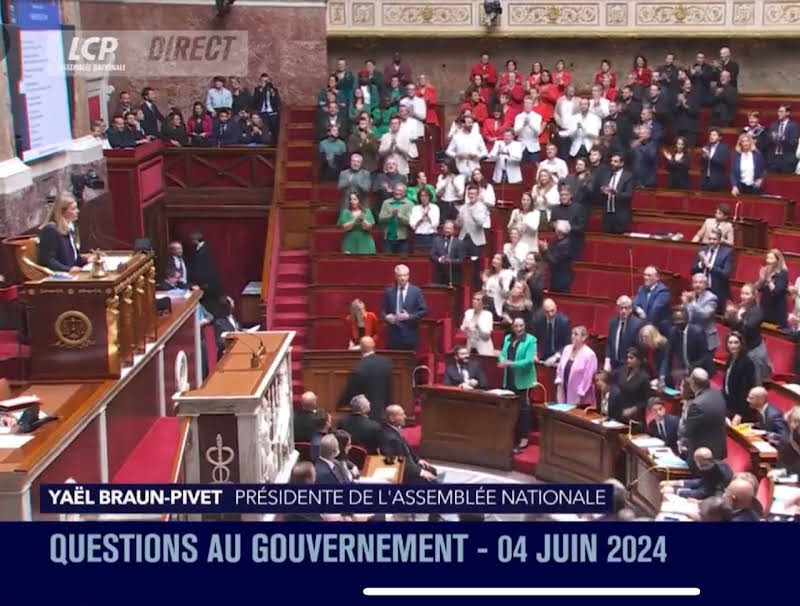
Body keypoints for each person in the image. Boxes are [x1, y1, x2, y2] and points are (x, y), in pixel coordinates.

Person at [499, 317, 537, 453]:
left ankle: (524, 438)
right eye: (516, 326)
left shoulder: (531, 340)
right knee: (511, 409)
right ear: (512, 327)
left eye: (521, 326)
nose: (519, 329)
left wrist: (511, 364)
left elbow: (528, 361)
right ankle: (512, 437)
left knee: (523, 410)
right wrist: (503, 361)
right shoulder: (508, 338)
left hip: (524, 380)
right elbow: (502, 354)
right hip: (509, 378)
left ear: (525, 326)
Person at [723, 283, 772, 383]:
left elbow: (748, 327)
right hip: (740, 349)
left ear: (753, 296)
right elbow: (726, 322)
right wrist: (729, 314)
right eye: (742, 293)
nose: (743, 296)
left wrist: (738, 317)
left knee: (755, 380)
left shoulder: (757, 312)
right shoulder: (739, 307)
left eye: (747, 294)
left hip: (754, 351)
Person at [679, 368, 728, 462]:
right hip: (718, 452)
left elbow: (688, 432)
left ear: (693, 383)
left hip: (701, 456)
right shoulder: (717, 394)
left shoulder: (696, 405)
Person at [380, 405, 438, 483]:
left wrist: (418, 460)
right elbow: (400, 463)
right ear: (392, 418)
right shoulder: (391, 438)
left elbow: (407, 448)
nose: (405, 416)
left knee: (432, 470)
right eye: (401, 415)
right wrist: (420, 472)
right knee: (431, 481)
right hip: (403, 472)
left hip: (409, 464)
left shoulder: (394, 430)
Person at [339, 336, 392, 421]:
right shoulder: (385, 362)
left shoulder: (359, 367)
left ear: (360, 348)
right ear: (374, 345)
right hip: (382, 409)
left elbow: (352, 390)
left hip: (367, 413)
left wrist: (340, 403)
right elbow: (389, 387)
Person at [380, 264, 428, 350]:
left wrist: (409, 316)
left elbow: (424, 311)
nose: (402, 278)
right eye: (400, 276)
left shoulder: (416, 291)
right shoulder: (389, 291)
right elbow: (383, 310)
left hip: (410, 334)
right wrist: (386, 317)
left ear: (408, 276)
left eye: (405, 275)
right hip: (393, 335)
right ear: (395, 276)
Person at [38, 194, 88, 273]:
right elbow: (48, 260)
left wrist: (87, 261)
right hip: (59, 275)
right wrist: (68, 269)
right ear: (62, 212)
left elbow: (73, 257)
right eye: (73, 209)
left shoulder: (69, 227)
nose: (77, 211)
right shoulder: (50, 229)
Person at [668, 308, 716, 384]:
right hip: (686, 370)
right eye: (676, 320)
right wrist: (665, 374)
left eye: (681, 320)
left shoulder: (697, 332)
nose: (678, 323)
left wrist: (687, 371)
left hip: (702, 370)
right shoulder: (672, 332)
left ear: (687, 319)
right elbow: (669, 354)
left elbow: (704, 357)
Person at [663, 447, 732, 499]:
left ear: (698, 463)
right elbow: (702, 482)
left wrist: (676, 491)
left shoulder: (716, 473)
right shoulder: (713, 465)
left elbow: (703, 493)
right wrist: (679, 482)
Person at [457, 185, 490, 288]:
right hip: (463, 238)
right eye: (469, 194)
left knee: (476, 265)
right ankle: (462, 285)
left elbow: (481, 222)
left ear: (477, 195)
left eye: (473, 194)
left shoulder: (482, 207)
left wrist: (473, 213)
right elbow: (459, 223)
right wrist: (458, 219)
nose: (471, 196)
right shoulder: (463, 207)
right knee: (461, 263)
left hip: (476, 240)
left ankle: (475, 287)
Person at [609, 347, 651, 428]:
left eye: (631, 358)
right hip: (618, 411)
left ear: (639, 361)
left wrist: (633, 409)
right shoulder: (623, 370)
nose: (628, 360)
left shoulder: (644, 378)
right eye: (627, 357)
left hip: (633, 415)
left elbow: (645, 400)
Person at [555, 326, 597, 406]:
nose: (572, 336)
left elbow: (588, 378)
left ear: (583, 338)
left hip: (581, 398)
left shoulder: (589, 355)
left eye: (576, 334)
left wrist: (579, 395)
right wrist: (559, 387)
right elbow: (559, 369)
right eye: (572, 334)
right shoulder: (567, 349)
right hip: (564, 392)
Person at [690, 231, 732, 310]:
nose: (711, 241)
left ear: (719, 240)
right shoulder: (703, 250)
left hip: (717, 290)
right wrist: (701, 264)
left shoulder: (727, 252)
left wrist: (710, 266)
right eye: (710, 239)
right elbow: (692, 270)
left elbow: (726, 274)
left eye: (714, 239)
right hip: (701, 290)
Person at [722, 331, 757, 423]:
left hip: (741, 409)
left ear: (741, 344)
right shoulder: (730, 358)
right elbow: (726, 382)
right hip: (730, 404)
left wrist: (740, 413)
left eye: (736, 342)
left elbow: (745, 390)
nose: (733, 346)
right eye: (730, 343)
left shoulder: (746, 363)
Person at [604, 295, 645, 371]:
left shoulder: (637, 324)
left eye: (626, 308)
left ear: (631, 309)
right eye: (621, 308)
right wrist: (607, 360)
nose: (623, 311)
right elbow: (609, 343)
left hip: (629, 367)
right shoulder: (613, 322)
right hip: (614, 365)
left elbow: (639, 348)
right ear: (617, 309)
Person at [682, 273, 719, 353]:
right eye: (695, 282)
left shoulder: (712, 298)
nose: (697, 285)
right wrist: (684, 304)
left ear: (706, 285)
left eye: (700, 282)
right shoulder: (690, 295)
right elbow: (686, 316)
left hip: (706, 339)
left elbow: (705, 314)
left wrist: (691, 303)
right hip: (692, 337)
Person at [187, 232, 222, 315]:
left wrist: (199, 283)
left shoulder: (203, 251)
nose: (191, 242)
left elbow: (202, 269)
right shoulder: (202, 249)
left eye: (192, 240)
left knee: (209, 305)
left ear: (195, 240)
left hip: (206, 284)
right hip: (206, 283)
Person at [633, 266, 672, 336]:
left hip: (659, 329)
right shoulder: (641, 289)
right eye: (644, 275)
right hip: (644, 326)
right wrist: (640, 311)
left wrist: (643, 319)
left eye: (649, 275)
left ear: (657, 277)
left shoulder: (663, 291)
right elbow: (635, 303)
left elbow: (654, 312)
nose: (645, 277)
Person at [549, 186, 586, 258]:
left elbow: (581, 226)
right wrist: (554, 225)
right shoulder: (555, 209)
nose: (563, 197)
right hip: (559, 243)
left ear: (571, 195)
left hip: (574, 243)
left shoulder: (578, 208)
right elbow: (551, 223)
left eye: (566, 195)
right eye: (562, 195)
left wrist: (567, 228)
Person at [755, 248, 789, 327]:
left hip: (776, 309)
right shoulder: (766, 271)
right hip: (765, 306)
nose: (768, 261)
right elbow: (759, 288)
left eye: (771, 258)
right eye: (767, 258)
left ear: (778, 260)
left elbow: (776, 292)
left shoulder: (782, 273)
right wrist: (761, 279)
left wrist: (769, 280)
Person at [601, 153, 634, 234]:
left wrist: (616, 193)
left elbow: (629, 195)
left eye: (615, 161)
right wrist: (603, 191)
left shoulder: (628, 176)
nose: (612, 163)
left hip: (620, 214)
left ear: (622, 163)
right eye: (612, 161)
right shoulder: (607, 174)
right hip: (607, 214)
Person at [533, 298, 571, 366]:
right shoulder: (538, 320)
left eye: (552, 311)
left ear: (556, 308)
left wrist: (556, 357)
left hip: (559, 357)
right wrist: (534, 353)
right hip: (543, 356)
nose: (550, 314)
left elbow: (568, 345)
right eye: (547, 312)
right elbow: (534, 339)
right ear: (543, 311)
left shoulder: (564, 322)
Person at [539, 221, 575, 293]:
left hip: (561, 278)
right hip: (557, 276)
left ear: (558, 231)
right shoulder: (559, 241)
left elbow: (554, 260)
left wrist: (545, 249)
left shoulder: (565, 244)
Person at [378, 183, 414, 254]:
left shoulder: (410, 204)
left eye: (400, 190)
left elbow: (410, 222)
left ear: (404, 193)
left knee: (402, 259)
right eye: (396, 190)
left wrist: (399, 216)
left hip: (402, 240)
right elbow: (380, 219)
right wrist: (391, 215)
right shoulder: (386, 203)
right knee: (387, 259)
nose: (397, 192)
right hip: (388, 239)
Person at [430, 220, 465, 286]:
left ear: (454, 230)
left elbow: (461, 260)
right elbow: (432, 255)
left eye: (449, 228)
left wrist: (450, 261)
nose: (447, 230)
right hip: (439, 275)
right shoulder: (437, 240)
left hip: (453, 276)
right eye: (445, 228)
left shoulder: (459, 242)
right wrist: (439, 259)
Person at [767, 105, 799, 173]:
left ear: (787, 113)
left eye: (781, 111)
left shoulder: (793, 126)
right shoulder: (773, 125)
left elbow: (794, 143)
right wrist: (771, 138)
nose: (779, 113)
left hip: (787, 160)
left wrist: (783, 139)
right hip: (774, 159)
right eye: (778, 111)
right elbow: (769, 143)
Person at [482, 253, 514, 318]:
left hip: (498, 303)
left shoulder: (507, 273)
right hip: (487, 302)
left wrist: (501, 286)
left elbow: (506, 294)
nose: (494, 260)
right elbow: (485, 291)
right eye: (494, 258)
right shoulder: (490, 273)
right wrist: (485, 282)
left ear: (503, 262)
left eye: (498, 259)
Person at [513, 96, 543, 163]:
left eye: (529, 103)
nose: (527, 105)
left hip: (533, 146)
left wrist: (530, 124)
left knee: (533, 167)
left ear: (532, 105)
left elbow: (538, 132)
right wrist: (523, 125)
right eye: (526, 103)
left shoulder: (538, 117)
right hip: (521, 146)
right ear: (523, 104)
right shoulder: (518, 117)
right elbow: (515, 132)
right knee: (522, 167)